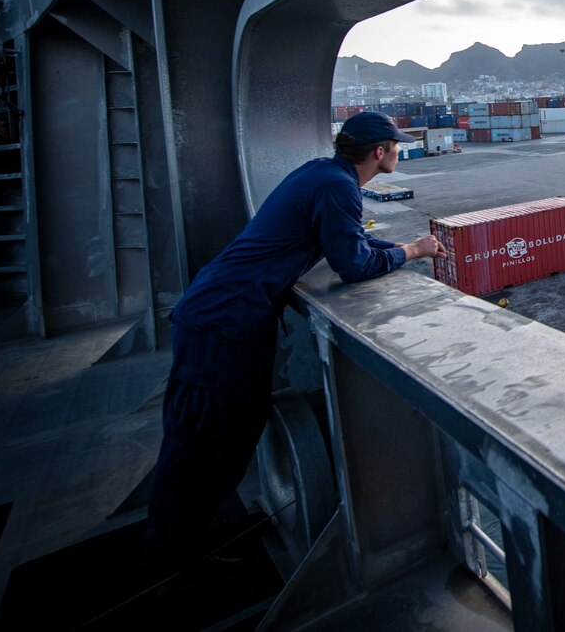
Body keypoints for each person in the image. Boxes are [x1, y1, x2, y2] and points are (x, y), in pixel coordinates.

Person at [145, 111, 445, 565]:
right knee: (196, 436)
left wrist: (403, 249)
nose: (400, 151)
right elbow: (353, 265)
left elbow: (351, 244)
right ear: (379, 152)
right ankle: (171, 558)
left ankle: (203, 532)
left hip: (234, 317)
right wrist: (411, 251)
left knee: (232, 432)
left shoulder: (323, 174)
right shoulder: (338, 186)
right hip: (221, 320)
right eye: (396, 145)